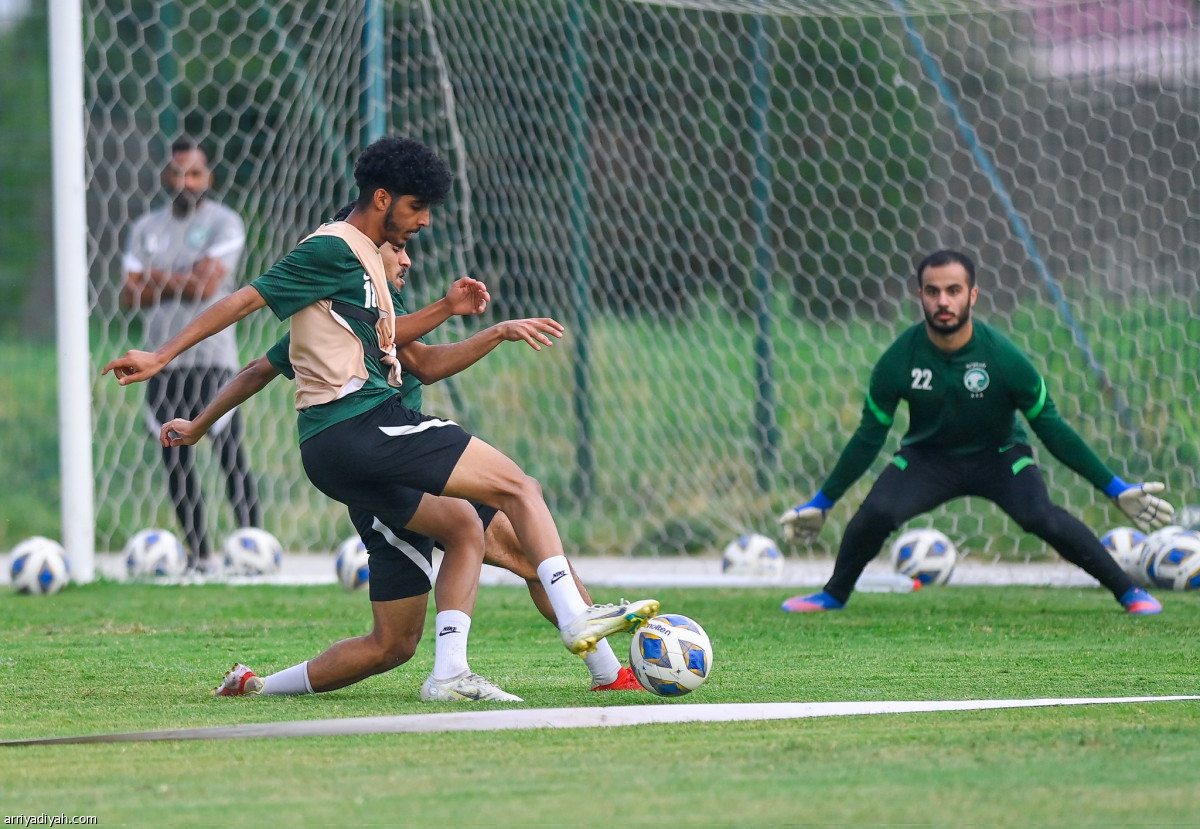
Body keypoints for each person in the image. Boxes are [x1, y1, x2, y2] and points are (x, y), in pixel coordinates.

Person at [104, 135, 658, 701]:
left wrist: (478, 325)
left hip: (358, 449)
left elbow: (419, 360)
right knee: (520, 494)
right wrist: (162, 358)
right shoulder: (334, 254)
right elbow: (248, 305)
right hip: (362, 432)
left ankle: (266, 688)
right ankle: (584, 638)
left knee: (397, 636)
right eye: (412, 218)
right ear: (382, 201)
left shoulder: (361, 299)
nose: (414, 241)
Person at [777, 249, 1174, 615]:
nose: (943, 301)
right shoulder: (899, 359)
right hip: (927, 458)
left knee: (1041, 516)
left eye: (953, 290)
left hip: (1000, 456)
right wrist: (823, 501)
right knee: (876, 512)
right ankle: (833, 595)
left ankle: (1128, 592)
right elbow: (869, 437)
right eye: (933, 291)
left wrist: (1114, 488)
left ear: (973, 295)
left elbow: (1052, 428)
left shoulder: (1003, 358)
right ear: (920, 295)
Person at [120, 137, 260, 570]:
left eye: (195, 173)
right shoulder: (146, 228)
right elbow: (129, 295)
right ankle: (200, 554)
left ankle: (252, 548)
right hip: (160, 362)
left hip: (212, 358)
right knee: (175, 457)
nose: (186, 182)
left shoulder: (224, 222)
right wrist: (184, 276)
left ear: (208, 177)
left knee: (229, 452)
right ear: (167, 176)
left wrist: (156, 277)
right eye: (179, 173)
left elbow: (205, 287)